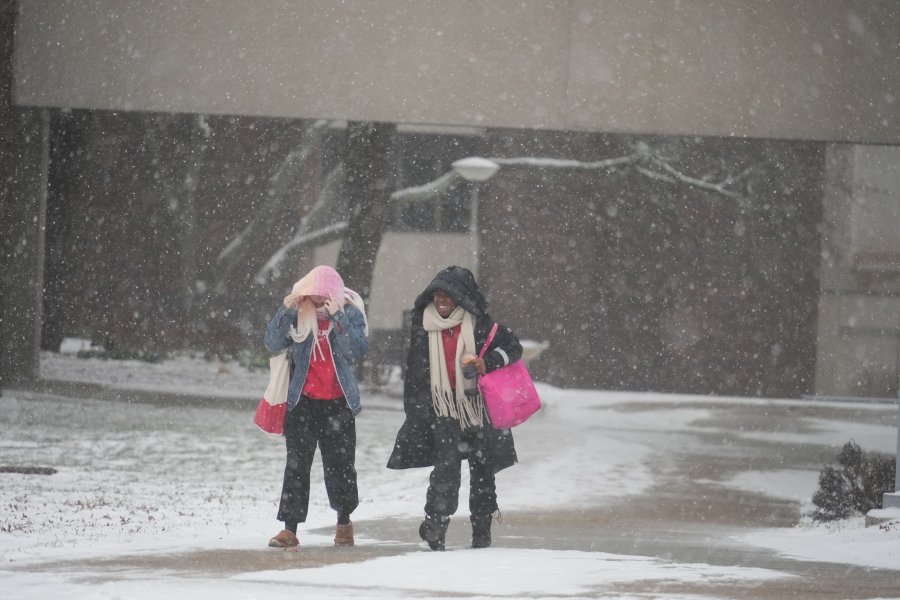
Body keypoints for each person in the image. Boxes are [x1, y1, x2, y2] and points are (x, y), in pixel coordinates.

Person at [387, 266, 522, 551]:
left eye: (447, 294)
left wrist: (488, 363)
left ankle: (482, 532)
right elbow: (415, 370)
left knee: (483, 470)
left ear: (462, 298)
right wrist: (415, 409)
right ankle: (435, 526)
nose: (441, 300)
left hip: (479, 408)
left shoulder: (482, 325)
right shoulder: (424, 325)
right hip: (443, 409)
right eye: (436, 294)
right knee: (445, 468)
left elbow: (514, 347)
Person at [264, 265, 369, 549]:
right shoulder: (299, 317)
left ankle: (344, 522)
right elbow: (272, 342)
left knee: (341, 467)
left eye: (324, 297)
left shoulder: (350, 314)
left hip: (339, 405)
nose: (319, 303)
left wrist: (338, 317)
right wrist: (286, 310)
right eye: (313, 296)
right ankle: (289, 529)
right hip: (303, 405)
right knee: (296, 466)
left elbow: (356, 350)